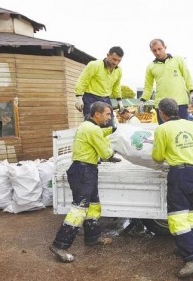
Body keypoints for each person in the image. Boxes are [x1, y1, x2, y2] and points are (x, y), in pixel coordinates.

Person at [151, 98, 193, 278]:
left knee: (177, 218)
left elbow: (158, 156)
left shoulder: (162, 129)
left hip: (180, 175)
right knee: (190, 215)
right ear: (177, 110)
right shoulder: (190, 124)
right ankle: (186, 246)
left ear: (162, 113)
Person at [49, 101, 116, 263]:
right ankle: (60, 245)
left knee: (93, 205)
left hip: (87, 170)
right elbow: (106, 153)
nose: (110, 117)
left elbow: (99, 133)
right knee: (79, 208)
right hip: (83, 171)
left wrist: (111, 130)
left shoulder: (88, 126)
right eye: (108, 114)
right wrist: (113, 152)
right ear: (97, 114)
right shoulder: (92, 129)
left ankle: (92, 238)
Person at [138, 39, 193, 123]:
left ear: (165, 47)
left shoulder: (178, 60)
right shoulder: (150, 67)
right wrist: (142, 100)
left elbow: (187, 76)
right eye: (154, 50)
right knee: (165, 132)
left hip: (179, 103)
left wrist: (192, 91)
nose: (157, 52)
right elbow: (148, 87)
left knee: (182, 130)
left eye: (159, 49)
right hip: (161, 105)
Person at [74, 46, 125, 127]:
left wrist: (119, 101)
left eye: (119, 60)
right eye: (114, 59)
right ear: (108, 55)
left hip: (106, 99)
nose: (116, 63)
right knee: (91, 126)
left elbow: (116, 86)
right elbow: (82, 81)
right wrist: (78, 97)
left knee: (109, 125)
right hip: (91, 99)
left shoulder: (118, 71)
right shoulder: (94, 65)